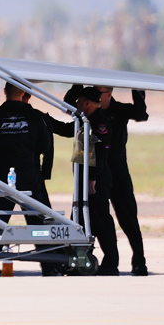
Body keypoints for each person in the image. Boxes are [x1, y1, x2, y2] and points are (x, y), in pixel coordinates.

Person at [0, 82, 52, 276]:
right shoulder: (34, 117)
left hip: (2, 174)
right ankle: (51, 266)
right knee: (39, 224)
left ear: (5, 91)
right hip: (29, 176)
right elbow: (45, 145)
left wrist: (1, 154)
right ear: (23, 92)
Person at [53, 86, 120, 275]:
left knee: (100, 219)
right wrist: (45, 119)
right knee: (80, 220)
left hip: (95, 179)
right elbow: (66, 129)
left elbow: (102, 152)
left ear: (87, 103)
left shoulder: (100, 123)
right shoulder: (84, 121)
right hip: (85, 179)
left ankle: (110, 264)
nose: (76, 105)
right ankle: (79, 261)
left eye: (79, 101)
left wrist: (92, 178)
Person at [97, 86, 149, 276]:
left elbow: (141, 114)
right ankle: (110, 261)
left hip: (118, 171)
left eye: (98, 93)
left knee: (128, 218)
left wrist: (138, 89)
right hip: (99, 173)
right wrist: (78, 84)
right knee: (99, 218)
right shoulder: (90, 111)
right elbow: (69, 102)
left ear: (109, 94)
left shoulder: (119, 110)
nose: (95, 97)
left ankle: (139, 260)